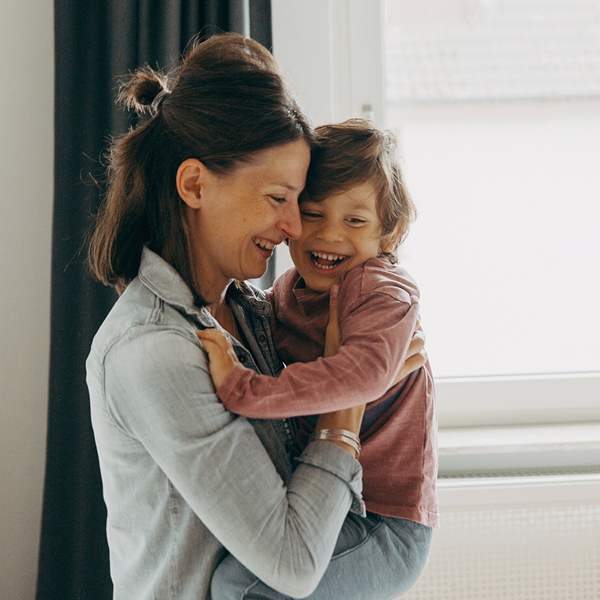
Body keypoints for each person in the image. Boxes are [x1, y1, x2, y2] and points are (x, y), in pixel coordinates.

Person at [86, 34, 427, 600]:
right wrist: (347, 406)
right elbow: (292, 564)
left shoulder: (248, 311)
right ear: (194, 184)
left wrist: (366, 358)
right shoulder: (154, 350)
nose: (296, 227)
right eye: (280, 199)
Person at [199, 120, 438, 599]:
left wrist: (245, 389)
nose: (329, 236)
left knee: (239, 588)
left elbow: (361, 374)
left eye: (355, 221)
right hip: (325, 499)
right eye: (312, 214)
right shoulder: (289, 291)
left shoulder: (379, 292)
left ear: (387, 233)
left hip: (382, 523)